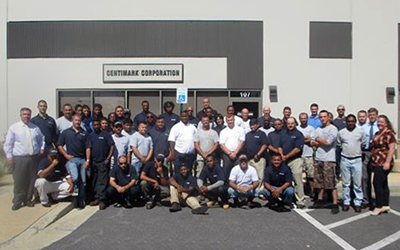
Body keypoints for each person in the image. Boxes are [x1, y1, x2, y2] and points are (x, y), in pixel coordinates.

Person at [4, 107, 45, 210]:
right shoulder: (14, 128)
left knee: (31, 180)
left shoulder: (35, 128)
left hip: (32, 158)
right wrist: (9, 156)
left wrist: (42, 148)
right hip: (19, 158)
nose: (26, 116)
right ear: (21, 115)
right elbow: (8, 143)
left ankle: (28, 199)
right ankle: (17, 201)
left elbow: (42, 138)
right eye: (24, 114)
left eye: (28, 114)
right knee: (19, 180)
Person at [57, 114, 91, 209]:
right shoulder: (66, 132)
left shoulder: (84, 133)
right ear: (72, 121)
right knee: (75, 178)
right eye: (76, 120)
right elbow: (59, 145)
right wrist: (66, 155)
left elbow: (88, 147)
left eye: (79, 120)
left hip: (82, 159)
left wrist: (87, 160)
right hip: (72, 160)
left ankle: (81, 200)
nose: (77, 122)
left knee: (83, 181)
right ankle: (73, 194)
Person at [310, 110, 340, 214]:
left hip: (329, 159)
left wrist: (318, 139)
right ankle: (320, 200)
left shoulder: (333, 129)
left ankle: (335, 203)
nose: (322, 119)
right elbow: (312, 142)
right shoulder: (318, 129)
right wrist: (318, 141)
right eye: (321, 117)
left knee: (330, 182)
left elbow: (328, 143)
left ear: (329, 118)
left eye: (324, 117)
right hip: (318, 158)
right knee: (319, 182)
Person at [337, 114, 366, 212]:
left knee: (357, 183)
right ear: (346, 122)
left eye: (352, 121)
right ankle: (346, 202)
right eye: (349, 121)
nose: (350, 123)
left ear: (355, 121)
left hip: (357, 159)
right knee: (346, 183)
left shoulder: (360, 132)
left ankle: (357, 202)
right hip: (345, 159)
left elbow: (363, 143)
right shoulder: (341, 133)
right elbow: (339, 144)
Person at [370, 115, 396, 216]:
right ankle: (385, 204)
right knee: (383, 183)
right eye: (378, 122)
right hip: (376, 161)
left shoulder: (389, 133)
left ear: (386, 123)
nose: (379, 123)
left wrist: (387, 162)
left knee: (376, 183)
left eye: (382, 122)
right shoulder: (378, 133)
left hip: (383, 162)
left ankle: (379, 206)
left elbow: (392, 148)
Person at [279, 117, 305, 208]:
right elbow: (279, 146)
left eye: (292, 123)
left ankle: (300, 200)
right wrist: (282, 155)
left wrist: (286, 156)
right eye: (288, 123)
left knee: (297, 180)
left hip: (295, 160)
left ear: (295, 124)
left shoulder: (299, 134)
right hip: (284, 160)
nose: (290, 125)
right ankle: (287, 199)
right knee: (285, 180)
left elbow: (297, 149)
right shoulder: (283, 134)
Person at [89, 119, 115, 210]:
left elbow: (112, 146)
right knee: (94, 181)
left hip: (103, 162)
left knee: (102, 182)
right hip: (93, 162)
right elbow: (88, 148)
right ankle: (96, 198)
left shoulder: (106, 134)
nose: (96, 126)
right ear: (92, 126)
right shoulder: (90, 135)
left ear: (100, 125)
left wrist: (108, 158)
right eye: (94, 125)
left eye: (97, 124)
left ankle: (102, 200)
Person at [361, 107, 379, 208]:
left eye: (373, 115)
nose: (372, 117)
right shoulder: (364, 127)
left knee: (377, 178)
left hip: (376, 153)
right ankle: (366, 199)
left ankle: (379, 200)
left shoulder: (379, 126)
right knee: (365, 177)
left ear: (376, 115)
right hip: (366, 152)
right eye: (370, 115)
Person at [219, 115, 245, 181]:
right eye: (228, 120)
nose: (230, 122)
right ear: (226, 121)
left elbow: (241, 142)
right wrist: (230, 153)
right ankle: (227, 187)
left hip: (238, 154)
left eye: (231, 120)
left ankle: (238, 186)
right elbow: (222, 144)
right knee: (226, 171)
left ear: (234, 120)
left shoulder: (240, 129)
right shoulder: (223, 131)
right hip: (227, 155)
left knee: (238, 171)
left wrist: (235, 152)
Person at [245, 119, 268, 189]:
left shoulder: (262, 134)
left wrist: (258, 154)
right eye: (251, 125)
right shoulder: (248, 134)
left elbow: (264, 145)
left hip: (259, 159)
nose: (252, 126)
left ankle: (260, 191)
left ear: (257, 125)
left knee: (260, 176)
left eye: (254, 125)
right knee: (250, 176)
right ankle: (251, 190)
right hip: (249, 159)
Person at [297, 113, 316, 199]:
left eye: (305, 118)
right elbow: (299, 140)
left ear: (307, 119)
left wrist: (302, 139)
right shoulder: (297, 129)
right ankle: (302, 191)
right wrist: (305, 139)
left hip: (309, 155)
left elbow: (311, 139)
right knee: (300, 175)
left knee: (311, 175)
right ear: (299, 119)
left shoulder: (311, 129)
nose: (303, 120)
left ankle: (312, 191)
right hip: (299, 156)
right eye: (301, 118)